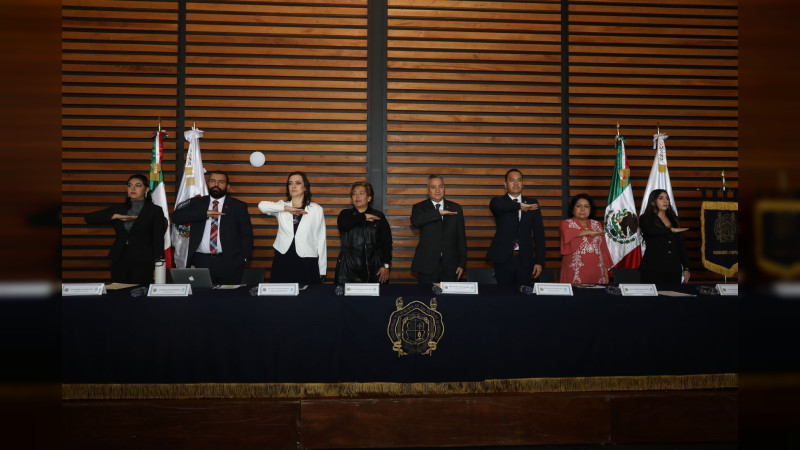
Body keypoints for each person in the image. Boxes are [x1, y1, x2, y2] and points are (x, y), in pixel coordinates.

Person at [172, 170, 254, 285]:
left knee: (229, 300)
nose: (216, 185)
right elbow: (176, 216)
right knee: (201, 300)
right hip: (201, 261)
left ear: (228, 186)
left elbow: (246, 235)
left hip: (229, 262)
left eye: (221, 182)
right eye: (213, 181)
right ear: (208, 183)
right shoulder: (197, 202)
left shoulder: (238, 206)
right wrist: (204, 214)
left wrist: (244, 258)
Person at [84, 174, 166, 284]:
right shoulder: (118, 209)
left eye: (138, 185)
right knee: (118, 294)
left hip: (143, 259)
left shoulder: (155, 210)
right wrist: (114, 216)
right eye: (130, 185)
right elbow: (89, 218)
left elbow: (158, 239)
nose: (132, 188)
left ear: (146, 189)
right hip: (120, 258)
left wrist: (158, 266)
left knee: (140, 295)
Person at [258, 171, 327, 284]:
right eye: (290, 183)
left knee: (307, 297)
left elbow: (321, 239)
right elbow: (261, 205)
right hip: (283, 257)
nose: (293, 186)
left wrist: (322, 268)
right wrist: (286, 208)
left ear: (305, 187)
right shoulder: (281, 206)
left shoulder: (316, 209)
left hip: (307, 258)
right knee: (281, 297)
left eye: (298, 183)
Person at [486, 169, 546, 285]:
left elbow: (539, 235)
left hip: (525, 260)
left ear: (523, 183)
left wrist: (539, 261)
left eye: (519, 180)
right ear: (505, 184)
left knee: (524, 298)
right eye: (511, 180)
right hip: (503, 259)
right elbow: (498, 206)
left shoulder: (532, 203)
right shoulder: (498, 201)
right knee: (503, 297)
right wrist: (519, 206)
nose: (516, 183)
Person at [410, 174, 467, 284]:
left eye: (440, 187)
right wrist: (437, 213)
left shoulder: (455, 208)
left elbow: (461, 238)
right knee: (426, 299)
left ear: (444, 188)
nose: (437, 190)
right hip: (427, 266)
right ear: (427, 190)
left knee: (450, 301)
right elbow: (415, 222)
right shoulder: (419, 207)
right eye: (433, 187)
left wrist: (462, 264)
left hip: (451, 267)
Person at [335, 181, 393, 284]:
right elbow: (344, 225)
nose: (357, 196)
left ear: (369, 197)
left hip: (374, 269)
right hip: (347, 270)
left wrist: (386, 265)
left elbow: (386, 243)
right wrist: (364, 216)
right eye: (354, 193)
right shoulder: (345, 214)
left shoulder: (378, 216)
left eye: (361, 193)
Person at [638, 189, 690, 284]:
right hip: (652, 269)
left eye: (667, 198)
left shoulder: (674, 219)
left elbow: (682, 246)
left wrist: (686, 268)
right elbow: (651, 231)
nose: (665, 201)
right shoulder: (645, 218)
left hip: (673, 269)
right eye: (661, 198)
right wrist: (671, 230)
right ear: (653, 202)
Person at [559, 193, 613, 285]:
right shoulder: (566, 224)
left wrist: (606, 273)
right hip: (574, 273)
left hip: (597, 273)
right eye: (579, 206)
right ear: (572, 209)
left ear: (590, 209)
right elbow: (568, 234)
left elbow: (603, 250)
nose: (582, 209)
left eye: (586, 206)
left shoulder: (597, 224)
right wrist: (589, 232)